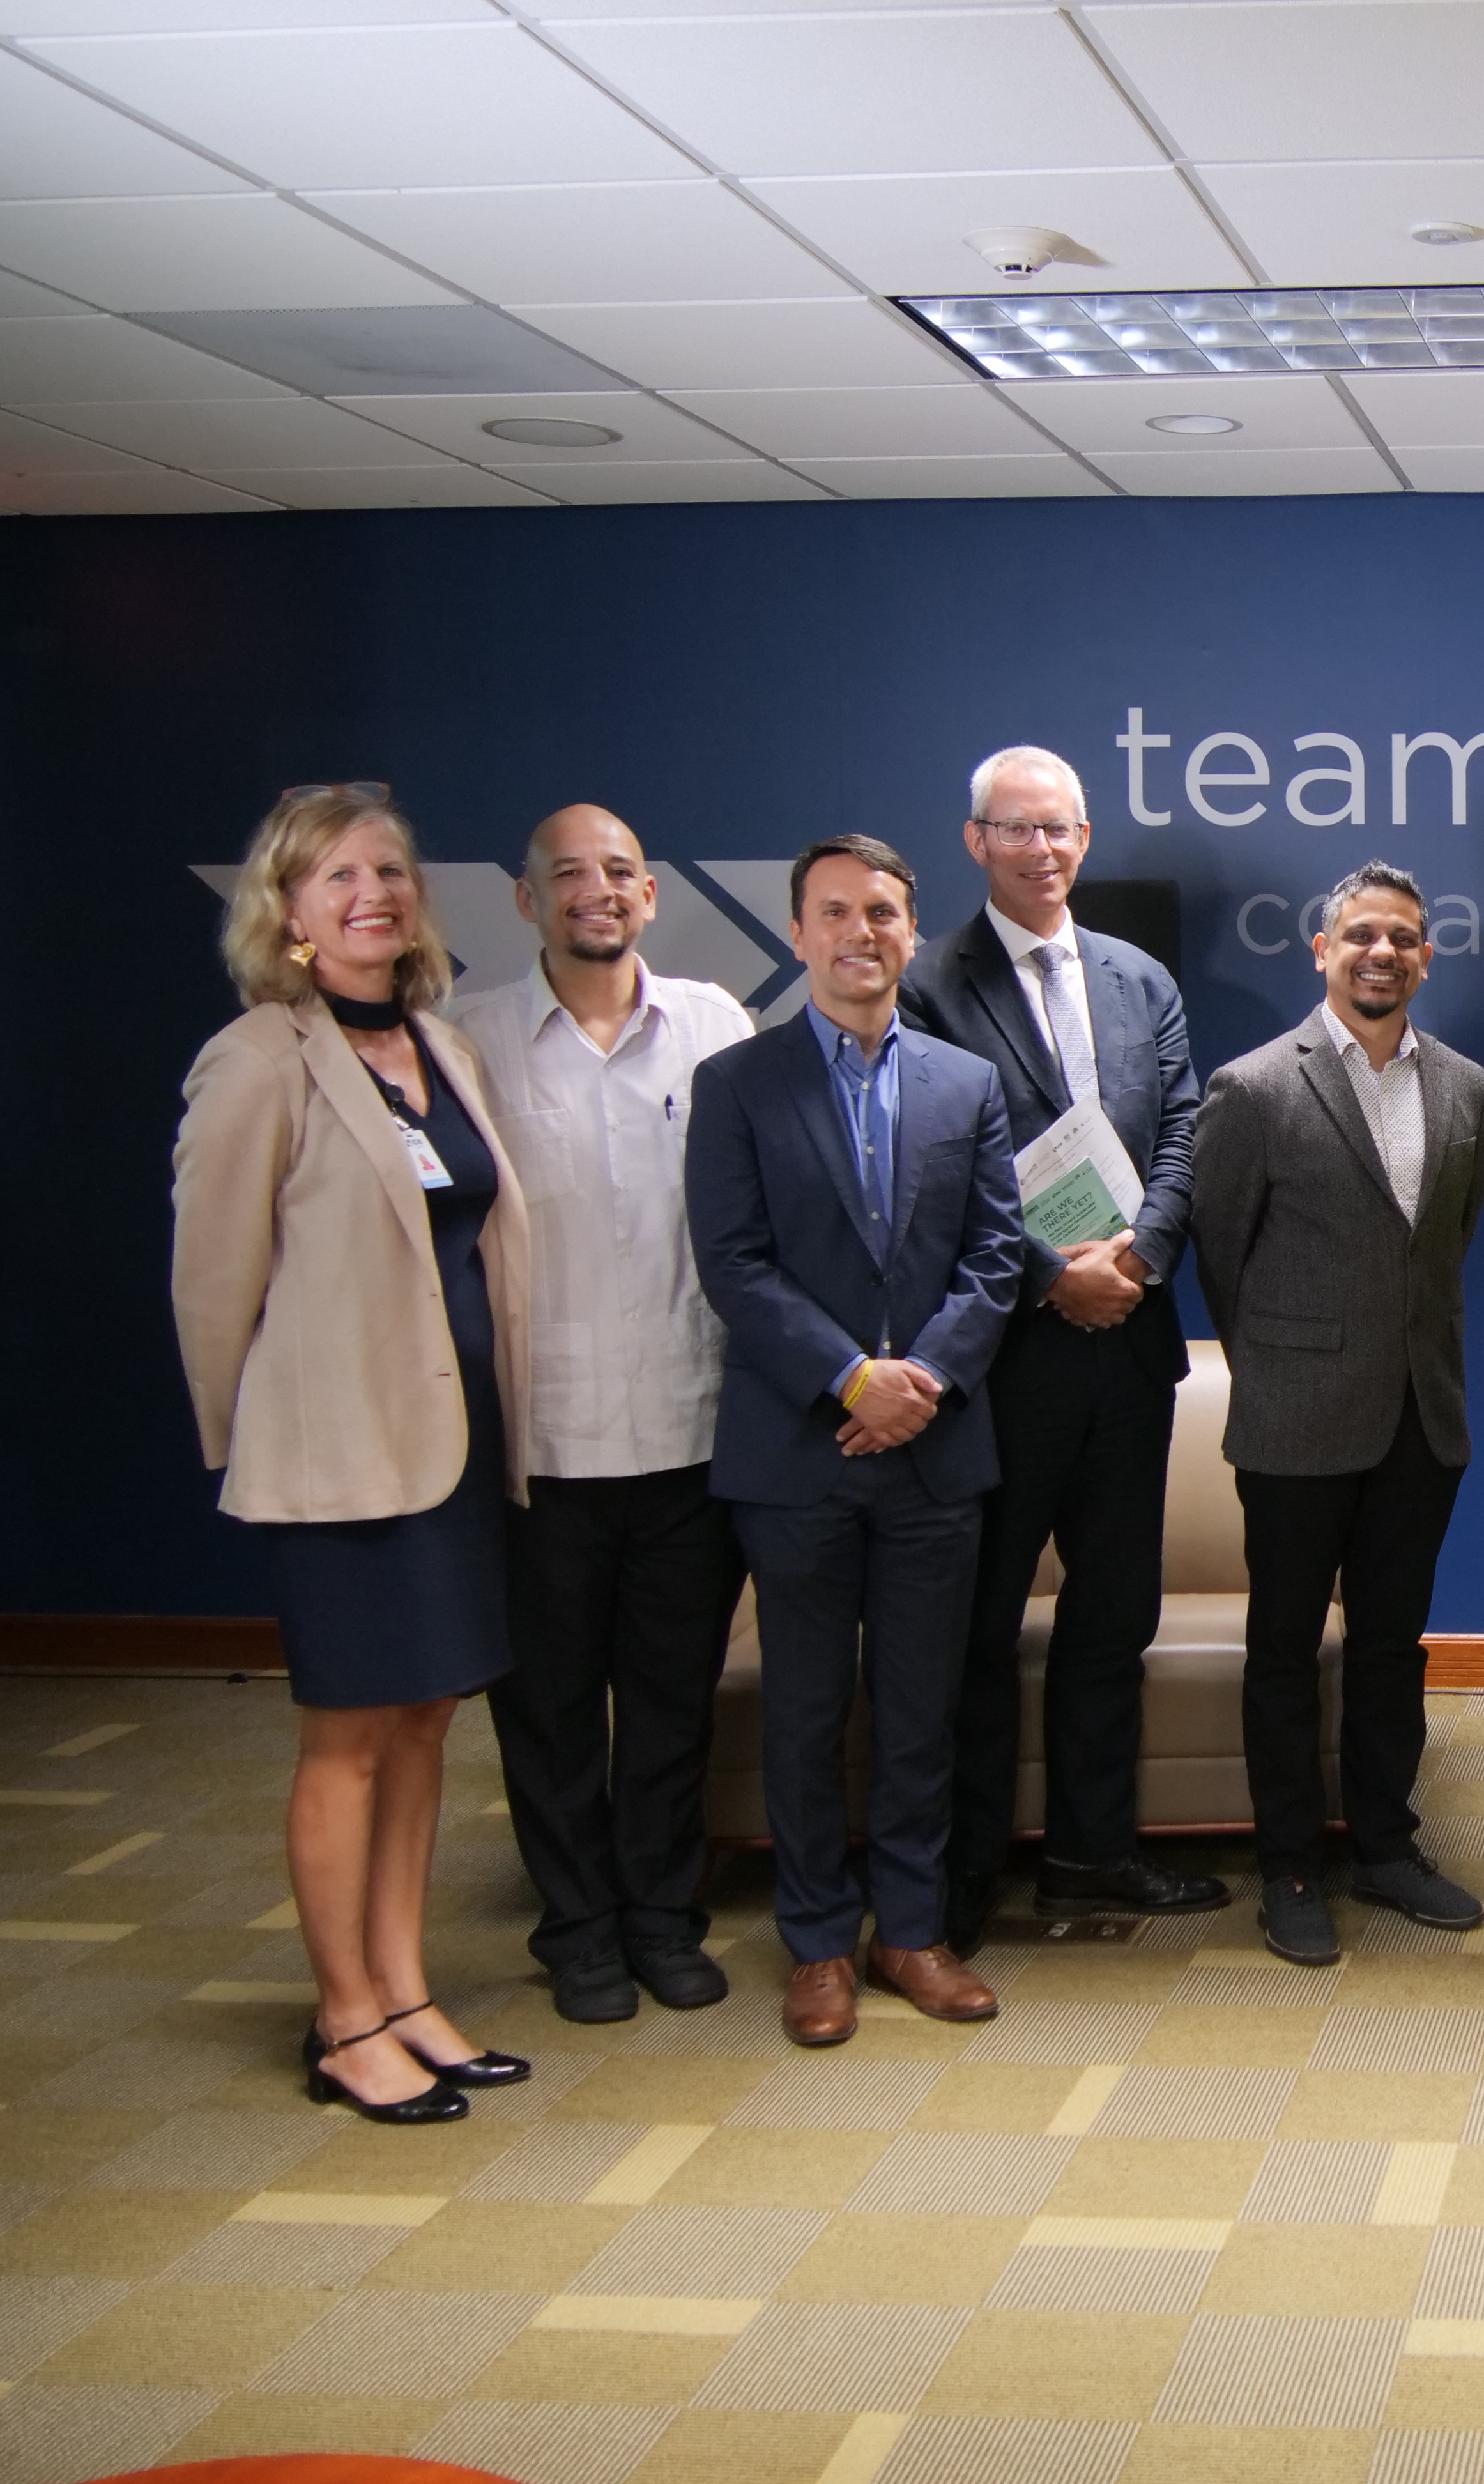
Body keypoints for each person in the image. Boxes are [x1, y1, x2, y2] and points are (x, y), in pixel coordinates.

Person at [172, 783, 533, 2122]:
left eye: (387, 870)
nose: (371, 892)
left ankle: (406, 1989)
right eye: (336, 877)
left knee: (426, 1722)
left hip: (453, 1447)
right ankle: (342, 2021)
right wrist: (250, 1444)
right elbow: (213, 1281)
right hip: (336, 1461)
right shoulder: (261, 1057)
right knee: (348, 1737)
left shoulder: (444, 1050)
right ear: (288, 913)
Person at [685, 834, 1024, 2047]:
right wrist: (850, 1380)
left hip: (934, 1452)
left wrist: (918, 1379)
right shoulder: (738, 1084)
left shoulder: (963, 1083)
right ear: (799, 934)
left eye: (881, 912)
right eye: (834, 913)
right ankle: (819, 1943)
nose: (859, 933)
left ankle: (913, 1933)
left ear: (909, 930)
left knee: (921, 1708)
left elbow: (996, 1256)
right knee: (807, 1709)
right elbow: (733, 1263)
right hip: (797, 1456)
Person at [900, 746, 1220, 1951]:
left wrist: (1135, 1260)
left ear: (1087, 838)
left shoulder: (1140, 979)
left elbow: (1187, 1129)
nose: (1042, 850)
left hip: (1130, 1355)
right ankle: (961, 1875)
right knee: (979, 1630)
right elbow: (939, 1171)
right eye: (1016, 829)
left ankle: (1095, 1857)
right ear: (975, 840)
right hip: (1007, 1363)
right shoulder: (933, 985)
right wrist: (1053, 1278)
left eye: (1061, 829)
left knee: (1111, 1620)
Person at [446, 804, 756, 2026]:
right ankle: (576, 1930)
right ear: (526, 901)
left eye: (619, 872)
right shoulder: (466, 1045)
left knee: (674, 1705)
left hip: (692, 1429)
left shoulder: (717, 1027)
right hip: (540, 1444)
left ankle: (663, 1919)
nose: (597, 891)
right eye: (568, 874)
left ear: (651, 896)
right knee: (552, 1712)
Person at [1189, 861, 1484, 1968]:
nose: (1383, 952)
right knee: (1282, 1650)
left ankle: (1385, 1845)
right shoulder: (1256, 1088)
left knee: (1388, 1646)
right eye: (1360, 934)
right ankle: (1287, 1867)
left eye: (1404, 937)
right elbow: (1220, 1257)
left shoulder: (1462, 1086)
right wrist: (1286, 1362)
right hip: (1292, 1419)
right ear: (1321, 951)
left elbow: (1443, 1243)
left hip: (1421, 1417)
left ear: (1425, 956)